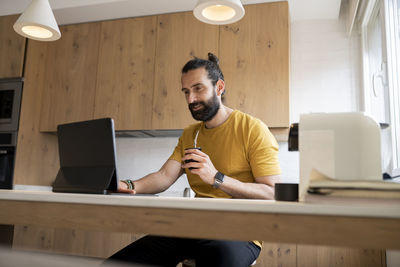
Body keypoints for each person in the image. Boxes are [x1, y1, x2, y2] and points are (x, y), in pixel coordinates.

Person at [106, 53, 281, 267]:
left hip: (241, 230)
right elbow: (164, 176)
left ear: (219, 88)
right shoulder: (191, 134)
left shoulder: (252, 129)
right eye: (186, 92)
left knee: (217, 258)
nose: (191, 100)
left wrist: (217, 178)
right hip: (193, 226)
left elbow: (272, 193)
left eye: (198, 89)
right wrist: (126, 185)